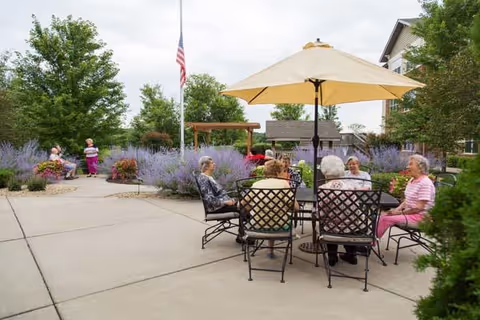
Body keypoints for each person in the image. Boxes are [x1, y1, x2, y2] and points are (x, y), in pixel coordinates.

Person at [242, 160, 299, 258]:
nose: (284, 173)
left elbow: (243, 205)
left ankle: (270, 250)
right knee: (275, 218)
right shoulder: (283, 184)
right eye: (282, 171)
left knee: (269, 216)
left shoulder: (256, 185)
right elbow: (296, 208)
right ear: (277, 172)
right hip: (280, 226)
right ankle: (271, 251)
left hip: (257, 225)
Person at [376, 154, 435, 239]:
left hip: (421, 218)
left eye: (411, 164)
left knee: (385, 219)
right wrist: (396, 210)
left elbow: (418, 208)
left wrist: (398, 213)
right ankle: (369, 240)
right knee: (381, 217)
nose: (407, 167)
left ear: (420, 167)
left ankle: (371, 243)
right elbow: (407, 200)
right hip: (411, 214)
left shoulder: (425, 183)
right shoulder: (412, 180)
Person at [318, 155, 360, 266]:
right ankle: (351, 255)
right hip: (351, 228)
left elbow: (321, 214)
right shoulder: (351, 187)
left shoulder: (323, 189)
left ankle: (332, 257)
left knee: (328, 224)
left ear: (324, 170)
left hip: (332, 229)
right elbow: (356, 211)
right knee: (348, 224)